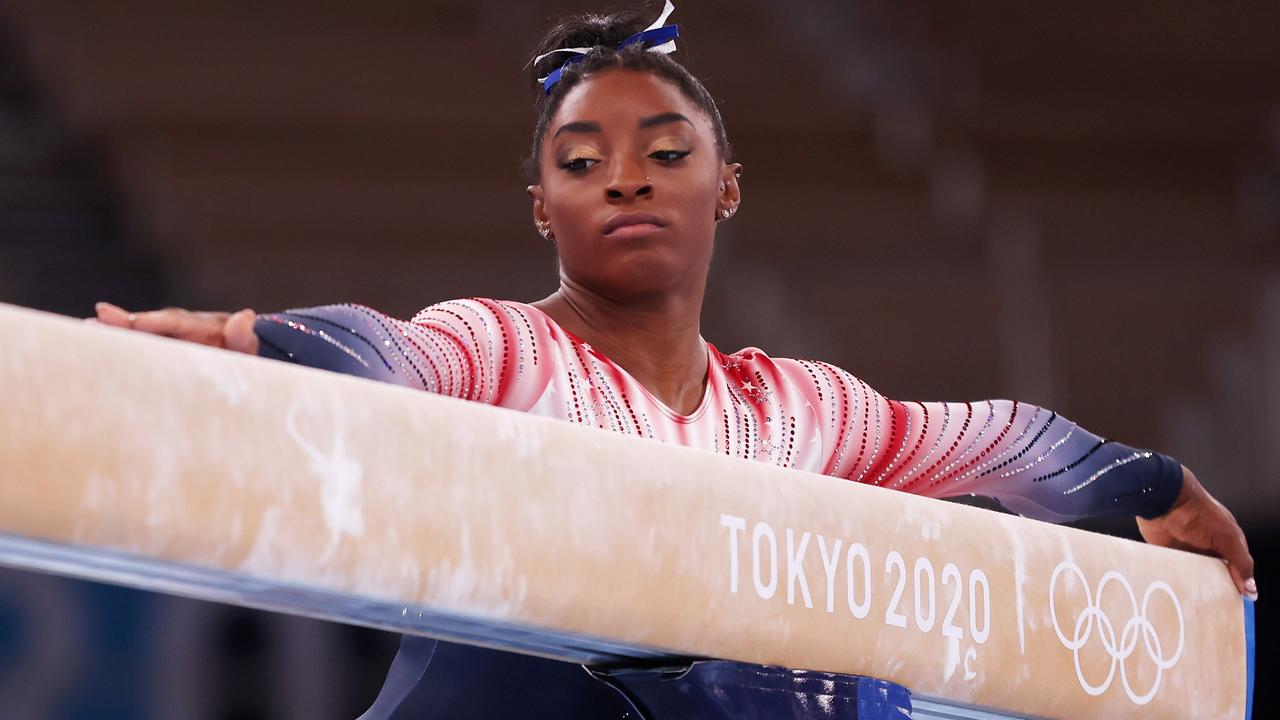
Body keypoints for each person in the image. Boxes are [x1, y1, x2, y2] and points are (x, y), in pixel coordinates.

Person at [92, 3, 1254, 717]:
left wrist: (1150, 484)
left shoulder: (797, 411)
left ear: (725, 185)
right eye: (582, 161)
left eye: (662, 150)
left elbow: (996, 439)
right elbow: (394, 355)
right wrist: (265, 344)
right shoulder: (512, 350)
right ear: (541, 206)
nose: (626, 179)